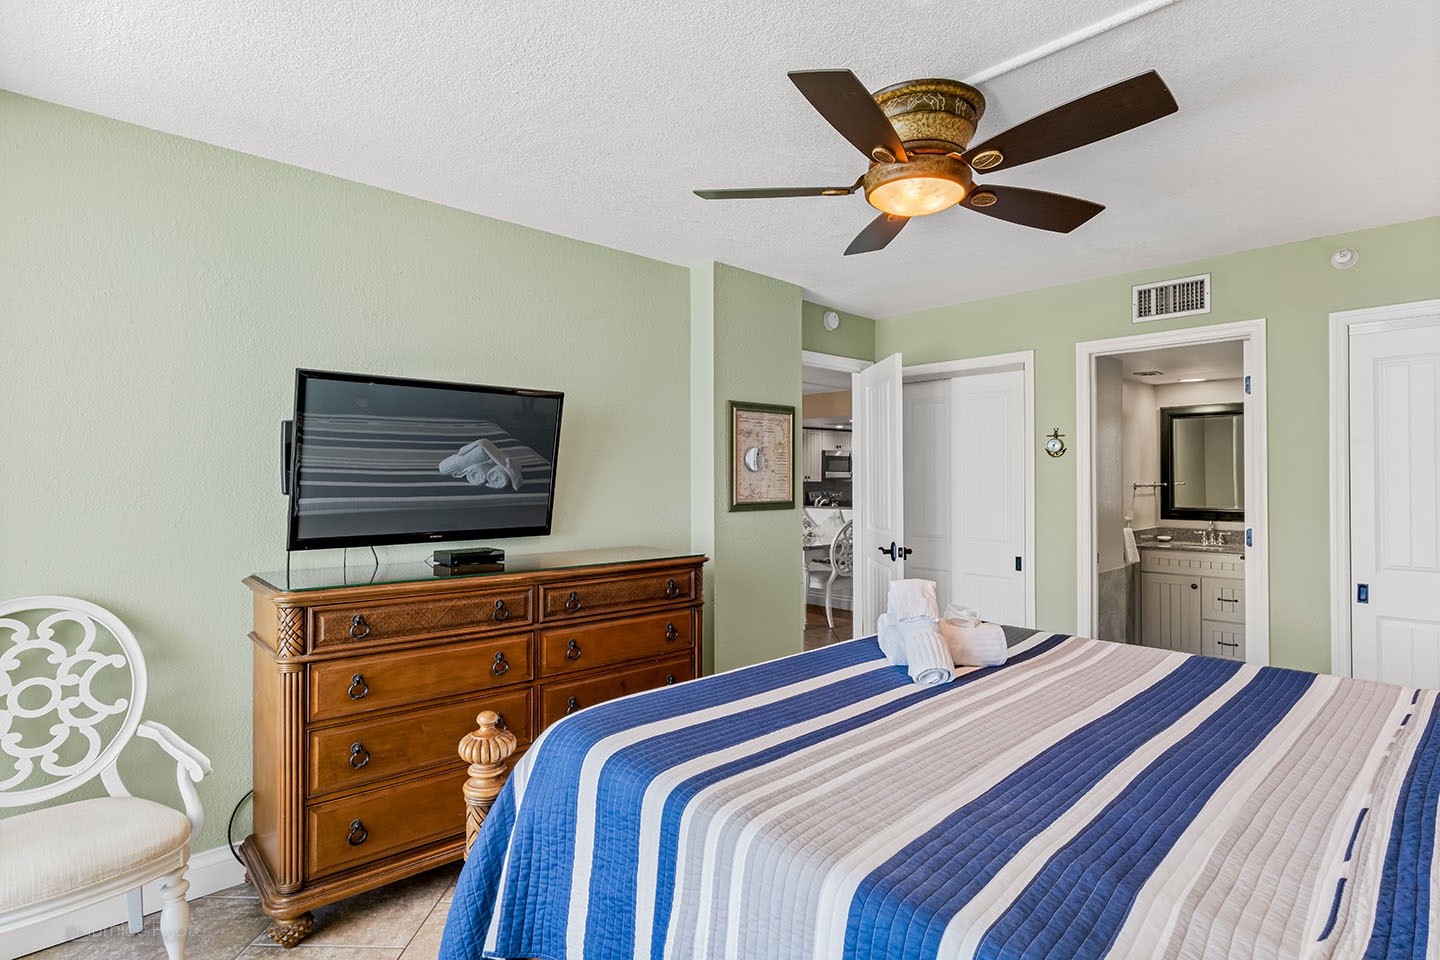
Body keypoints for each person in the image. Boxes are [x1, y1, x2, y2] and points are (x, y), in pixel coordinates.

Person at [438, 437, 523, 490]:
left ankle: (511, 471)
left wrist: (505, 467)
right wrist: (506, 468)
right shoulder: (455, 462)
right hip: (453, 465)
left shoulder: (481, 445)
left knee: (487, 450)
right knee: (488, 450)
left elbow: (463, 450)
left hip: (460, 460)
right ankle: (512, 472)